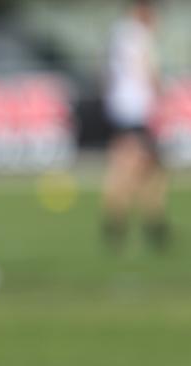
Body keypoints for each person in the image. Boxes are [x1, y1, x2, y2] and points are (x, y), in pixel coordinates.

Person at [102, 0, 168, 250]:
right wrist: (161, 94)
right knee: (135, 170)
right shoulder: (138, 34)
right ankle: (126, 225)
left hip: (121, 107)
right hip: (136, 109)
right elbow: (147, 70)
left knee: (140, 169)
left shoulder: (119, 32)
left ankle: (141, 224)